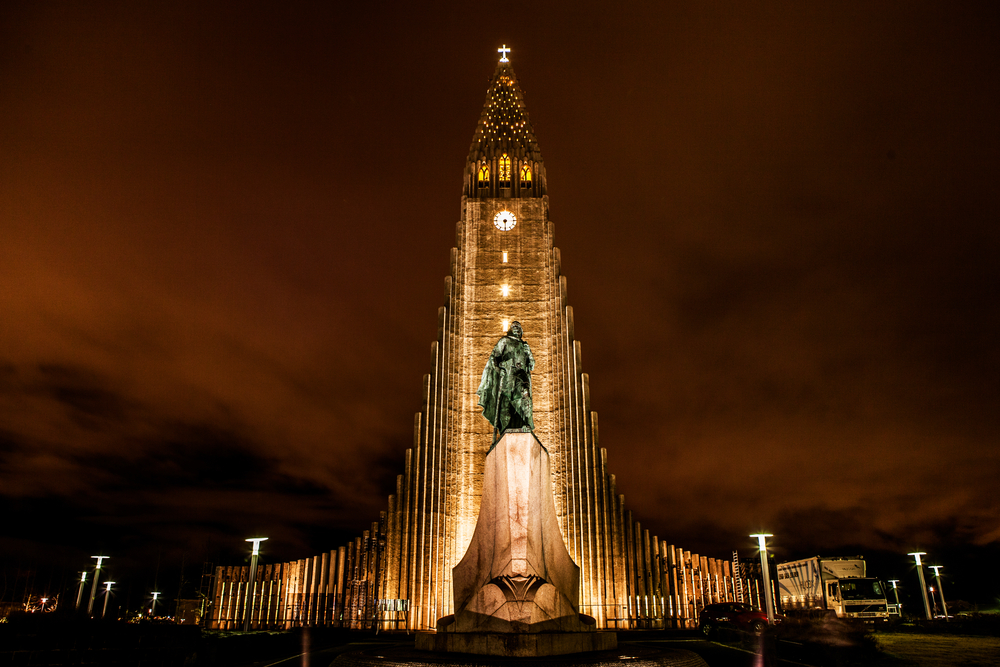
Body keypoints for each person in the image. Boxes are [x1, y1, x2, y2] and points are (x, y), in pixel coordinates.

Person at [477, 321, 535, 439]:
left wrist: (528, 351)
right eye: (514, 326)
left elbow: (532, 365)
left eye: (518, 327)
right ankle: (505, 428)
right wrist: (498, 369)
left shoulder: (524, 345)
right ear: (510, 329)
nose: (516, 329)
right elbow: (494, 357)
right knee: (506, 401)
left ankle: (524, 423)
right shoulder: (504, 341)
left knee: (525, 396)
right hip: (508, 376)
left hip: (521, 376)